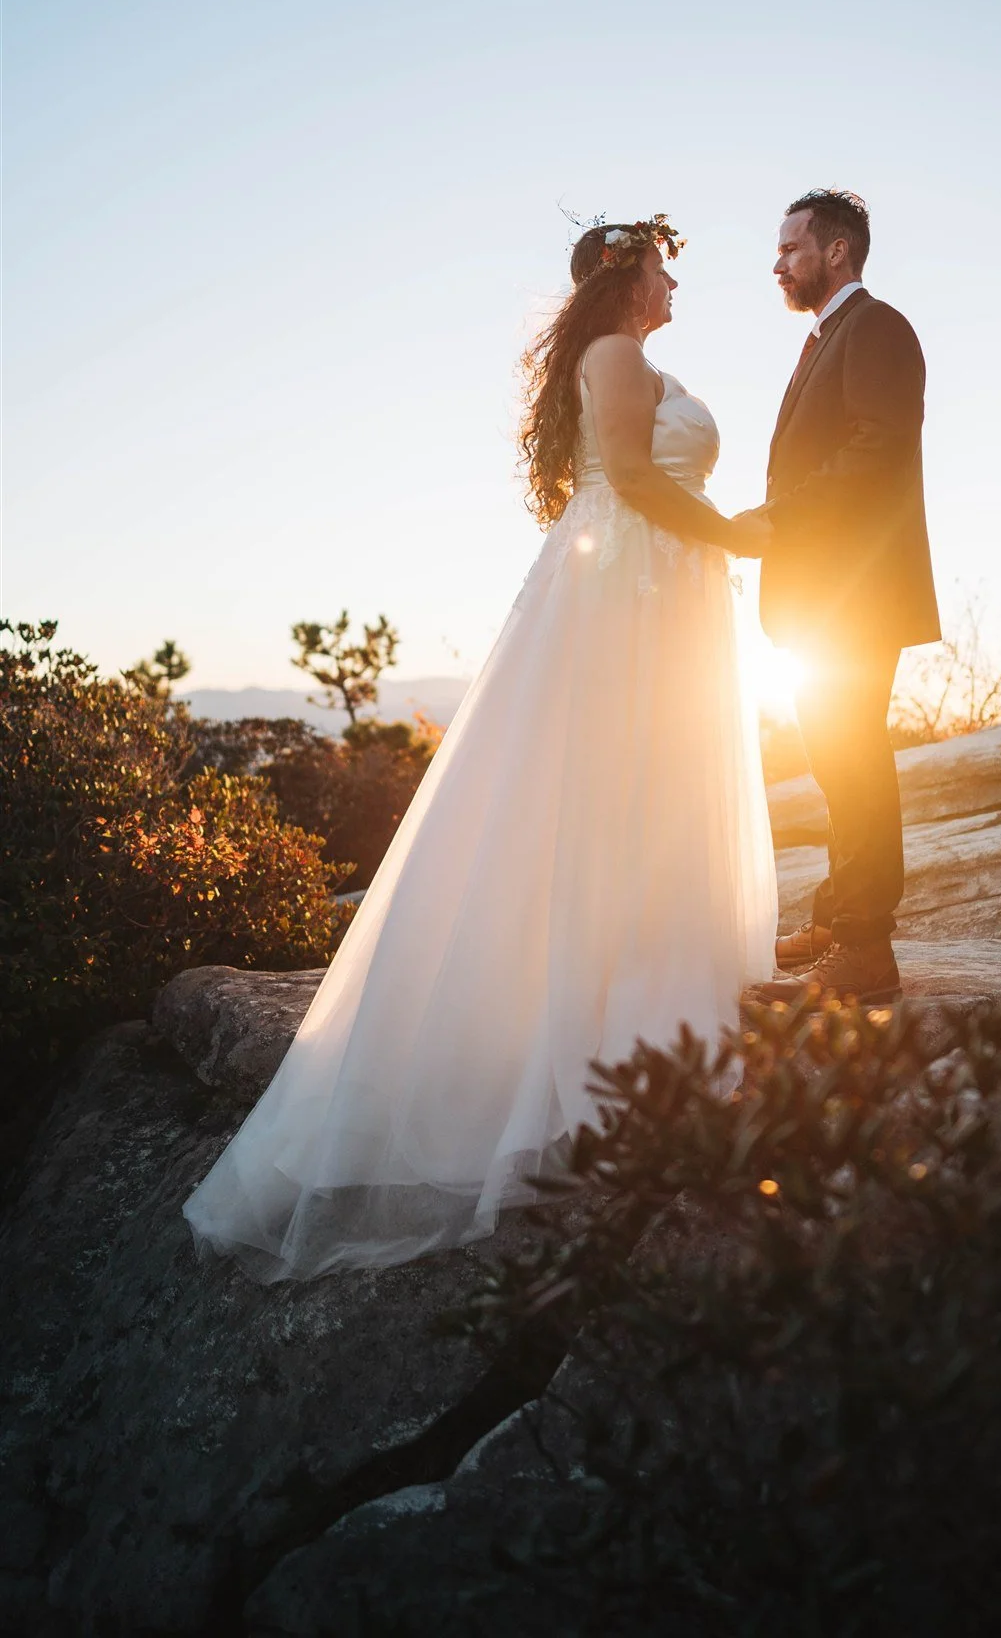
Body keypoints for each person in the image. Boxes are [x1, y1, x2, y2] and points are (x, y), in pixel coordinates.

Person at [183, 217, 777, 1282]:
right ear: (624, 278)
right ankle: (590, 1037)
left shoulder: (633, 358)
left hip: (651, 591)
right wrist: (741, 532)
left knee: (639, 802)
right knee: (610, 799)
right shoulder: (615, 355)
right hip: (625, 597)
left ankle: (629, 1008)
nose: (673, 276)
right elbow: (637, 483)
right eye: (660, 264)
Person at [732, 188, 939, 1007]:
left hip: (857, 590)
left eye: (790, 249)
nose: (778, 264)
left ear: (838, 252)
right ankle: (834, 920)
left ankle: (864, 952)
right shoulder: (828, 337)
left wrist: (777, 519)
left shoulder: (878, 328)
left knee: (852, 756)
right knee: (834, 757)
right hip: (826, 596)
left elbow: (878, 448)